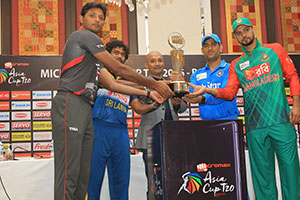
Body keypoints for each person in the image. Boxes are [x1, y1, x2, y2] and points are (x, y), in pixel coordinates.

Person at [51, 3, 173, 200]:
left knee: (83, 173)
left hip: (85, 108)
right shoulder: (84, 36)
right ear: (81, 19)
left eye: (101, 17)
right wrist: (154, 84)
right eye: (92, 15)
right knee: (69, 171)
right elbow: (120, 70)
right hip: (70, 101)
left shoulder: (92, 58)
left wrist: (150, 94)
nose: (98, 20)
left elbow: (113, 84)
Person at [185, 17, 300, 200]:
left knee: (291, 175)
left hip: (281, 122)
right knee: (262, 180)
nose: (243, 35)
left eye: (246, 30)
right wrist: (207, 89)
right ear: (235, 37)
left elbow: (293, 76)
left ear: (252, 29)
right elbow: (229, 93)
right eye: (238, 33)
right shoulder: (236, 65)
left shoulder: (274, 49)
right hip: (255, 128)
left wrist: (297, 105)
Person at [88, 40, 159, 200]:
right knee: (93, 180)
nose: (119, 56)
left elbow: (139, 108)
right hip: (98, 128)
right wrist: (148, 88)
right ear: (107, 55)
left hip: (120, 133)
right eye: (116, 53)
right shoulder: (98, 70)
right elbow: (114, 84)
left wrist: (155, 103)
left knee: (121, 182)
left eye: (122, 54)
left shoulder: (130, 86)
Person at [130, 51, 188, 198]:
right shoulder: (140, 85)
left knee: (176, 180)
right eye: (153, 61)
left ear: (164, 63)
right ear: (146, 65)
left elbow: (183, 108)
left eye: (160, 60)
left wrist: (177, 103)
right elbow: (138, 107)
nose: (157, 64)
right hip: (150, 140)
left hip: (173, 139)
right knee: (153, 182)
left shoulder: (172, 84)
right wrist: (155, 100)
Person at [188, 33, 239, 120]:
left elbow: (225, 94)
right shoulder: (196, 75)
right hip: (206, 124)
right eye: (206, 45)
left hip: (228, 121)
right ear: (202, 50)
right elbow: (192, 96)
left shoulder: (230, 69)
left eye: (214, 44)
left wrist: (202, 98)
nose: (210, 48)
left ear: (221, 48)